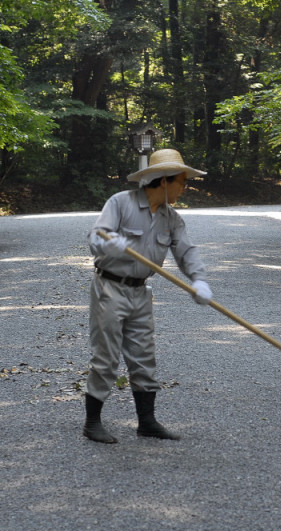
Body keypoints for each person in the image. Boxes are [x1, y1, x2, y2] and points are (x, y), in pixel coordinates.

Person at [83, 148, 213, 443]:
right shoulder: (120, 203)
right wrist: (109, 244)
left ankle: (147, 422)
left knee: (143, 356)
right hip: (110, 288)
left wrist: (199, 281)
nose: (184, 187)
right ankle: (92, 423)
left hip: (140, 292)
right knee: (106, 356)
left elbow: (186, 251)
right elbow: (95, 237)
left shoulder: (172, 218)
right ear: (164, 181)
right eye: (182, 181)